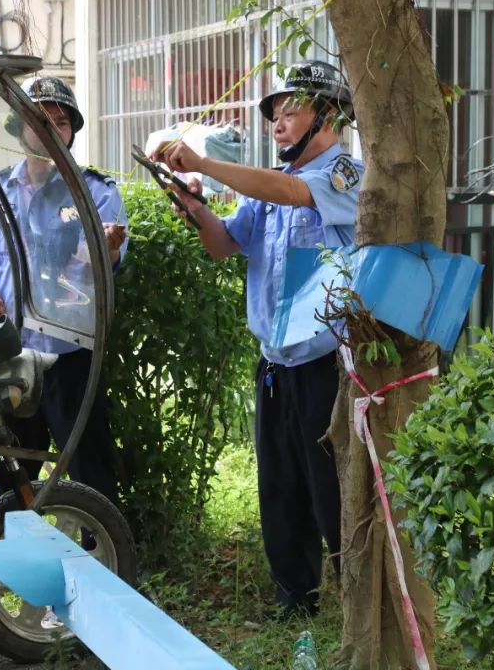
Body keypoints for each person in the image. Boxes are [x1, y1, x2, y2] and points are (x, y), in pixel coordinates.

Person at [155, 60, 360, 619]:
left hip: (326, 364)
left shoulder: (344, 173)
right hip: (274, 362)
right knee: (280, 485)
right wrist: (196, 207)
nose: (278, 121)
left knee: (332, 489)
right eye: (274, 112)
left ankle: (358, 598)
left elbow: (294, 191)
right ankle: (296, 600)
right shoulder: (269, 186)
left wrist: (205, 163)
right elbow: (225, 244)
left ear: (330, 115)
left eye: (292, 109)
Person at [0, 76, 127, 506]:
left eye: (61, 121)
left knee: (88, 467)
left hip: (71, 355)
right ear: (19, 127)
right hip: (9, 353)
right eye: (38, 118)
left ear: (72, 131)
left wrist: (105, 249)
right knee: (12, 470)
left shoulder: (95, 192)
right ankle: (14, 564)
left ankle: (98, 557)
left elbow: (105, 262)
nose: (50, 128)